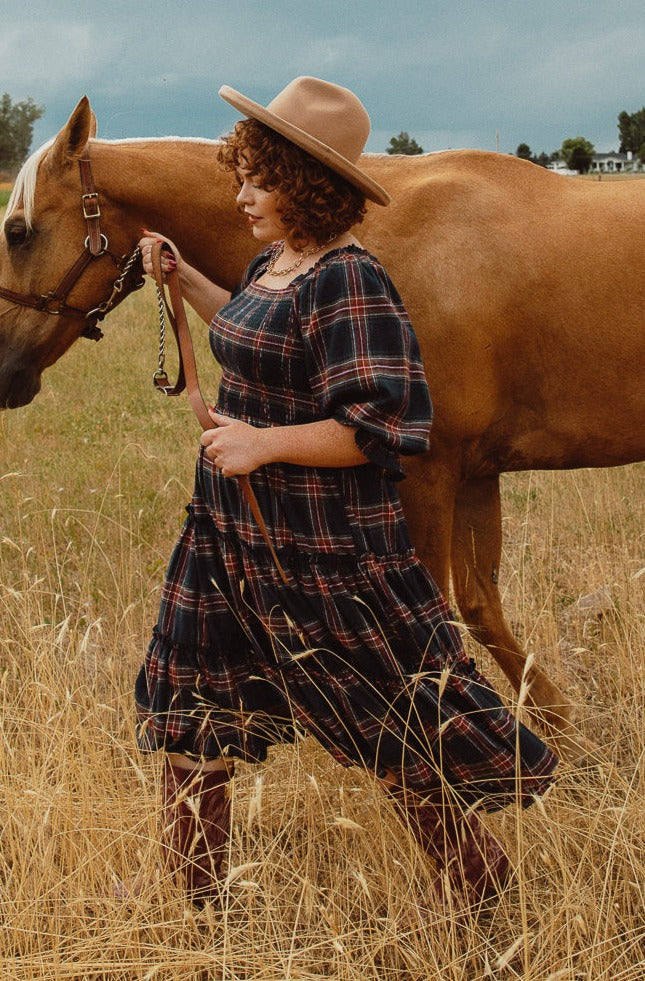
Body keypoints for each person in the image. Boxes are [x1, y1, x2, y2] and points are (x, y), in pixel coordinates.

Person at [134, 76, 558, 906]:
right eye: (241, 173)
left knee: (385, 727)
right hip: (228, 532)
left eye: (259, 178)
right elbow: (250, 335)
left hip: (315, 544)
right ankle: (195, 904)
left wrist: (263, 443)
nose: (242, 192)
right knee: (189, 706)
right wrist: (184, 281)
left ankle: (482, 885)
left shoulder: (350, 281)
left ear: (307, 186)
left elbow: (383, 424)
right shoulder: (275, 263)